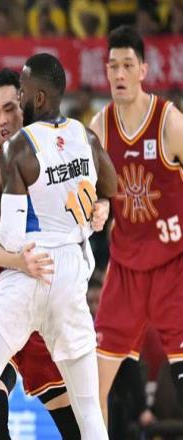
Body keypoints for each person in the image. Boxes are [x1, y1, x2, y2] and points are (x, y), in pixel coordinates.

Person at [0, 53, 117, 440]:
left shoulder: (34, 147)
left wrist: (100, 206)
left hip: (31, 289)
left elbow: (94, 192)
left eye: (10, 108)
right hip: (12, 291)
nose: (2, 120)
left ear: (27, 100)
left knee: (74, 419)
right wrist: (18, 260)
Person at [89, 24, 183, 425]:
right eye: (113, 66)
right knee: (91, 390)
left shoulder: (169, 122)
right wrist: (99, 207)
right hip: (125, 270)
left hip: (172, 265)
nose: (120, 74)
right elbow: (95, 192)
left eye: (128, 65)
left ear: (144, 70)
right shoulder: (99, 127)